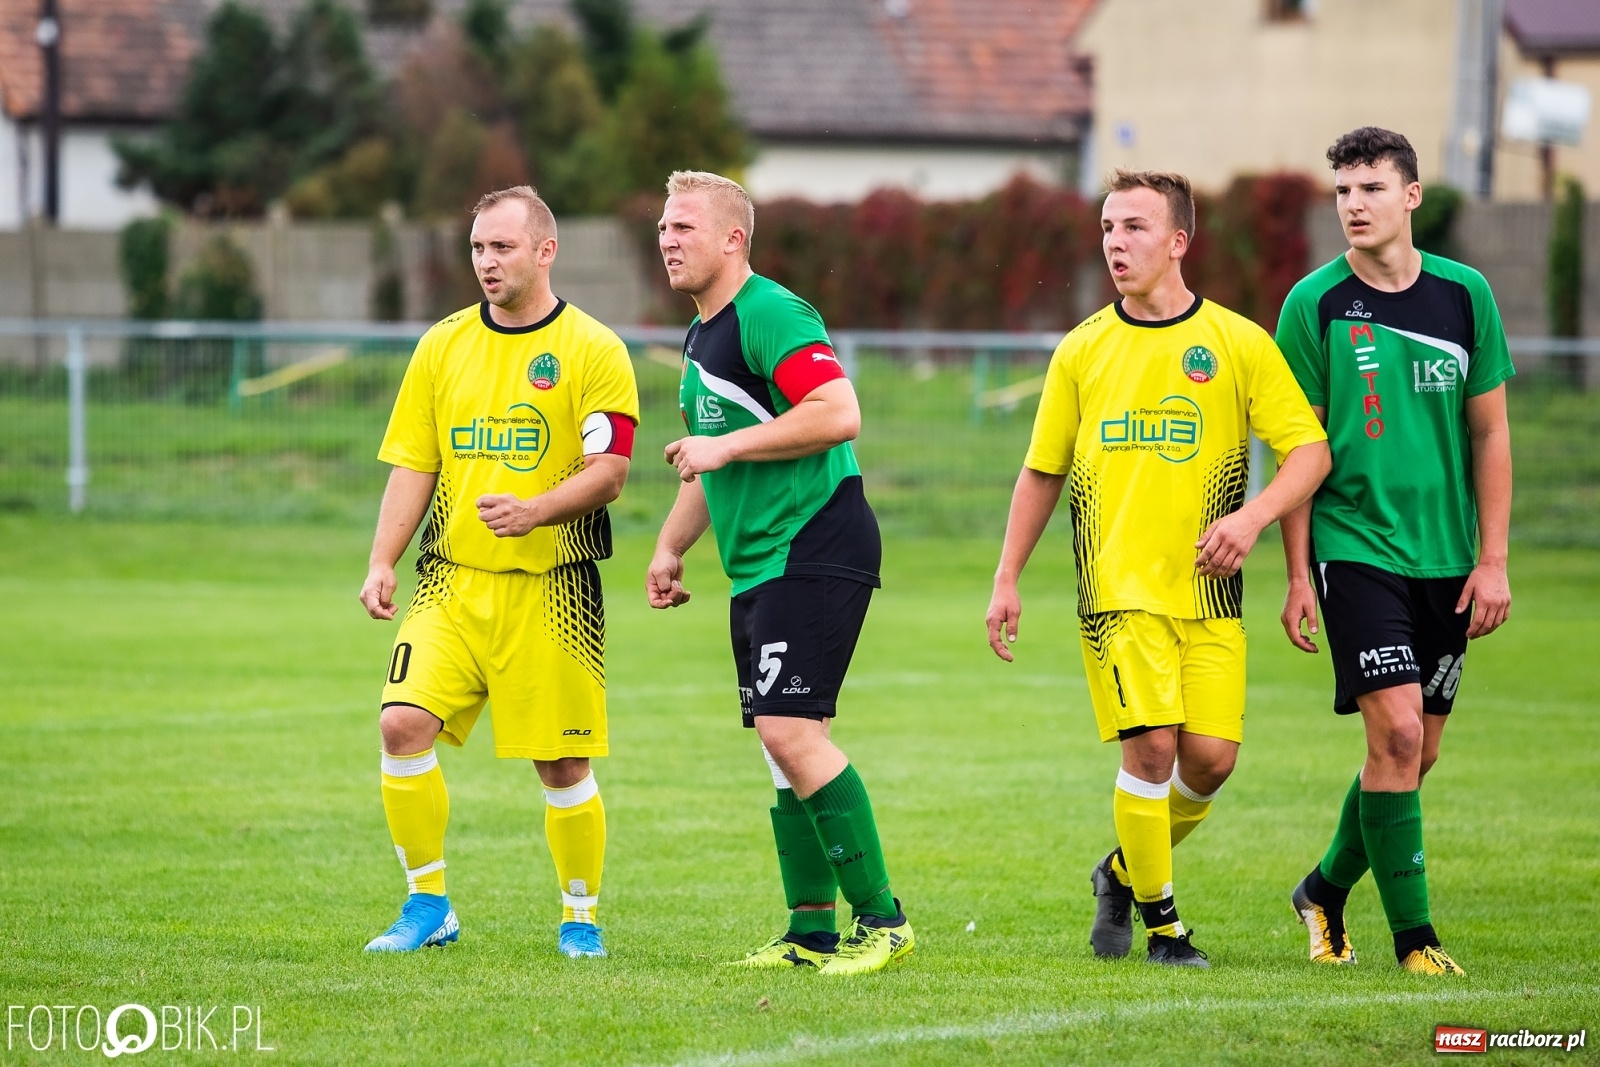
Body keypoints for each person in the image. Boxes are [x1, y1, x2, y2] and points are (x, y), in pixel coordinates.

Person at [986, 169, 1330, 967]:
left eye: (1135, 227)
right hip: (1118, 592)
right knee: (1150, 753)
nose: (1116, 242)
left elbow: (1308, 451)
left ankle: (1121, 870)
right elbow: (1042, 471)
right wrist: (1007, 576)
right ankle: (1167, 928)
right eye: (1108, 227)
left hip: (1210, 595)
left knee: (1211, 761)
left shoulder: (1239, 344)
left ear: (1179, 242)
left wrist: (1252, 521)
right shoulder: (1081, 349)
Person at [358, 186, 639, 958]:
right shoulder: (442, 345)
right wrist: (383, 559)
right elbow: (415, 463)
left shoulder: (593, 349)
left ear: (545, 251)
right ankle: (427, 905)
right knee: (400, 722)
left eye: (502, 247)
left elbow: (610, 469)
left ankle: (580, 916)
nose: (486, 261)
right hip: (448, 583)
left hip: (553, 590)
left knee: (561, 762)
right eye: (478, 247)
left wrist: (538, 510)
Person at [645, 170, 914, 976]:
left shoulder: (771, 312)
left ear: (734, 238)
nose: (667, 238)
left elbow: (837, 412)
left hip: (816, 541)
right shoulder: (701, 335)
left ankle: (884, 920)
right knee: (782, 744)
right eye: (663, 226)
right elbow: (714, 460)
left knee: (788, 730)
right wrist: (671, 545)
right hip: (760, 561)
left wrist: (720, 448)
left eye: (685, 226)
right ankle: (809, 930)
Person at [1277, 127, 1513, 977]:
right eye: (1342, 190)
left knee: (1416, 753)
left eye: (1371, 188)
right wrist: (1300, 572)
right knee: (1401, 733)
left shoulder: (1465, 294)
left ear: (1411, 196)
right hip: (1356, 545)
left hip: (1448, 556)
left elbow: (1488, 430)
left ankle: (1324, 888)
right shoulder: (1314, 305)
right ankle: (1416, 941)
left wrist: (1494, 558)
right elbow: (1297, 451)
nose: (1353, 205)